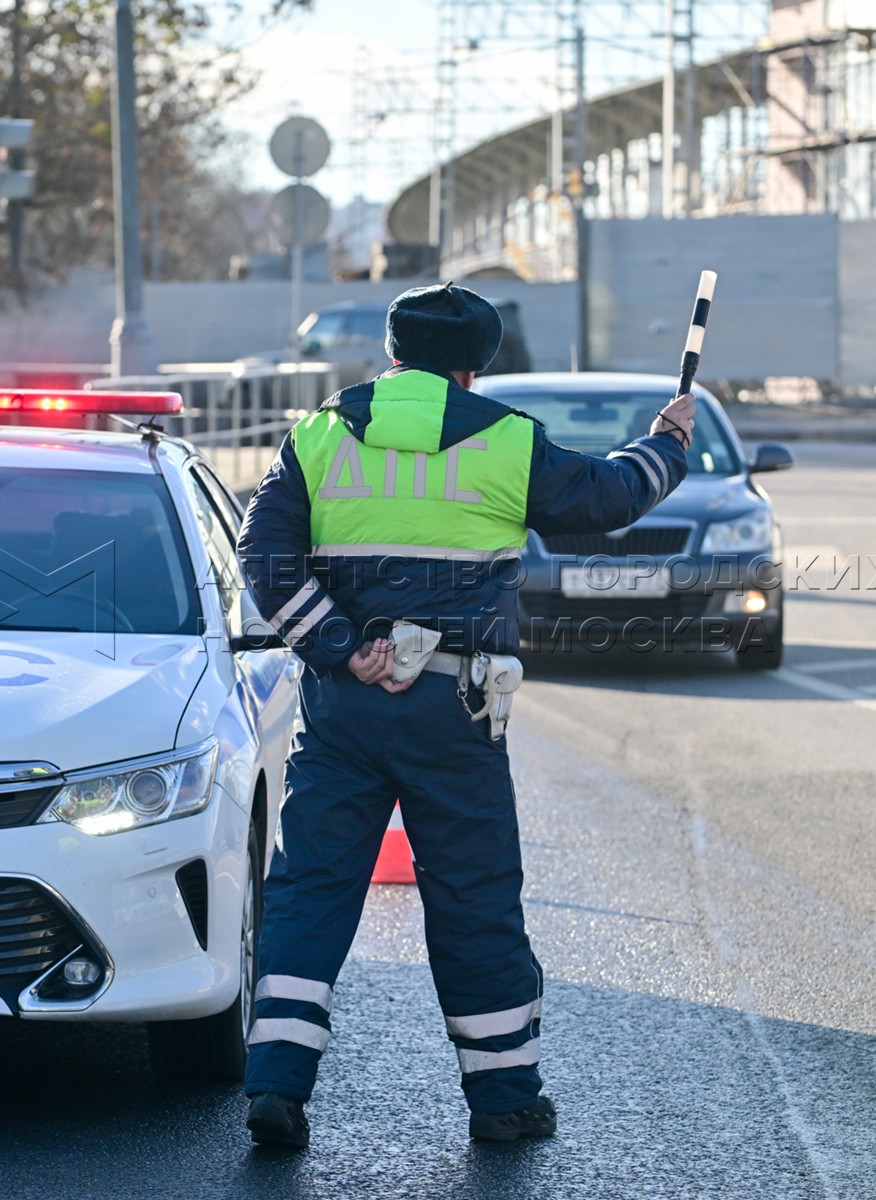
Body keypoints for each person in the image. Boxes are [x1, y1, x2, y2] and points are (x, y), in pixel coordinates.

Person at [237, 282, 695, 1147]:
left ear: (392, 352)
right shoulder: (506, 439)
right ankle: (505, 1101)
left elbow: (263, 555)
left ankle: (276, 1087)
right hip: (454, 708)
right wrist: (666, 445)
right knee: (473, 898)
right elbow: (604, 500)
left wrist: (340, 647)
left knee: (309, 891)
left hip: (342, 708)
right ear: (474, 367)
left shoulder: (319, 434)